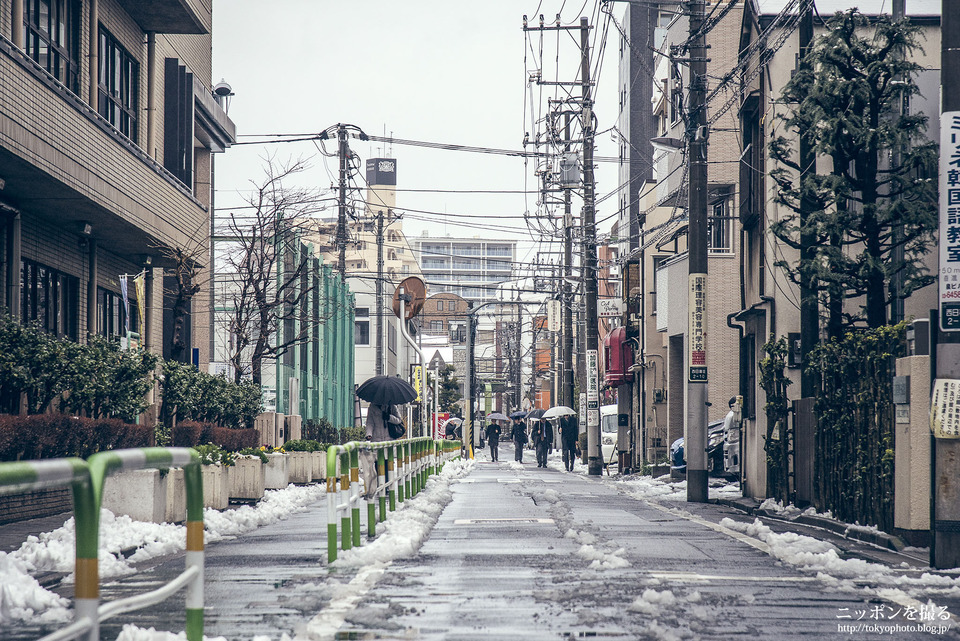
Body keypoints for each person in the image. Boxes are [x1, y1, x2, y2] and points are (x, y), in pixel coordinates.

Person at [361, 403, 403, 498]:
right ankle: (379, 484)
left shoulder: (391, 406)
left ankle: (387, 485)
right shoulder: (372, 407)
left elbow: (399, 420)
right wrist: (369, 434)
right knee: (378, 463)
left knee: (387, 462)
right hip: (377, 439)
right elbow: (369, 422)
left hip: (389, 440)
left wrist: (389, 417)